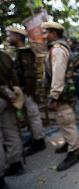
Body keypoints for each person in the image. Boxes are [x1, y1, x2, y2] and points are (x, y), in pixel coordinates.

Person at [41, 21, 79, 171]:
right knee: (63, 120)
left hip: (61, 94)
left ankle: (74, 152)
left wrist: (54, 96)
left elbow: (58, 75)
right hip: (62, 93)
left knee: (66, 120)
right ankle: (69, 143)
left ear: (54, 33)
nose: (45, 35)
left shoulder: (57, 50)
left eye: (47, 32)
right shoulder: (57, 48)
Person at [6, 27, 46, 156]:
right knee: (28, 116)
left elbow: (29, 75)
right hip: (22, 90)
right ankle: (34, 137)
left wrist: (28, 91)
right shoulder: (20, 53)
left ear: (18, 37)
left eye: (10, 35)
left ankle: (39, 140)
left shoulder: (26, 53)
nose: (8, 38)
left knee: (33, 115)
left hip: (28, 90)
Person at [0, 50, 25, 188]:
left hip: (4, 96)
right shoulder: (5, 56)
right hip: (9, 98)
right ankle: (16, 164)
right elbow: (14, 77)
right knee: (11, 132)